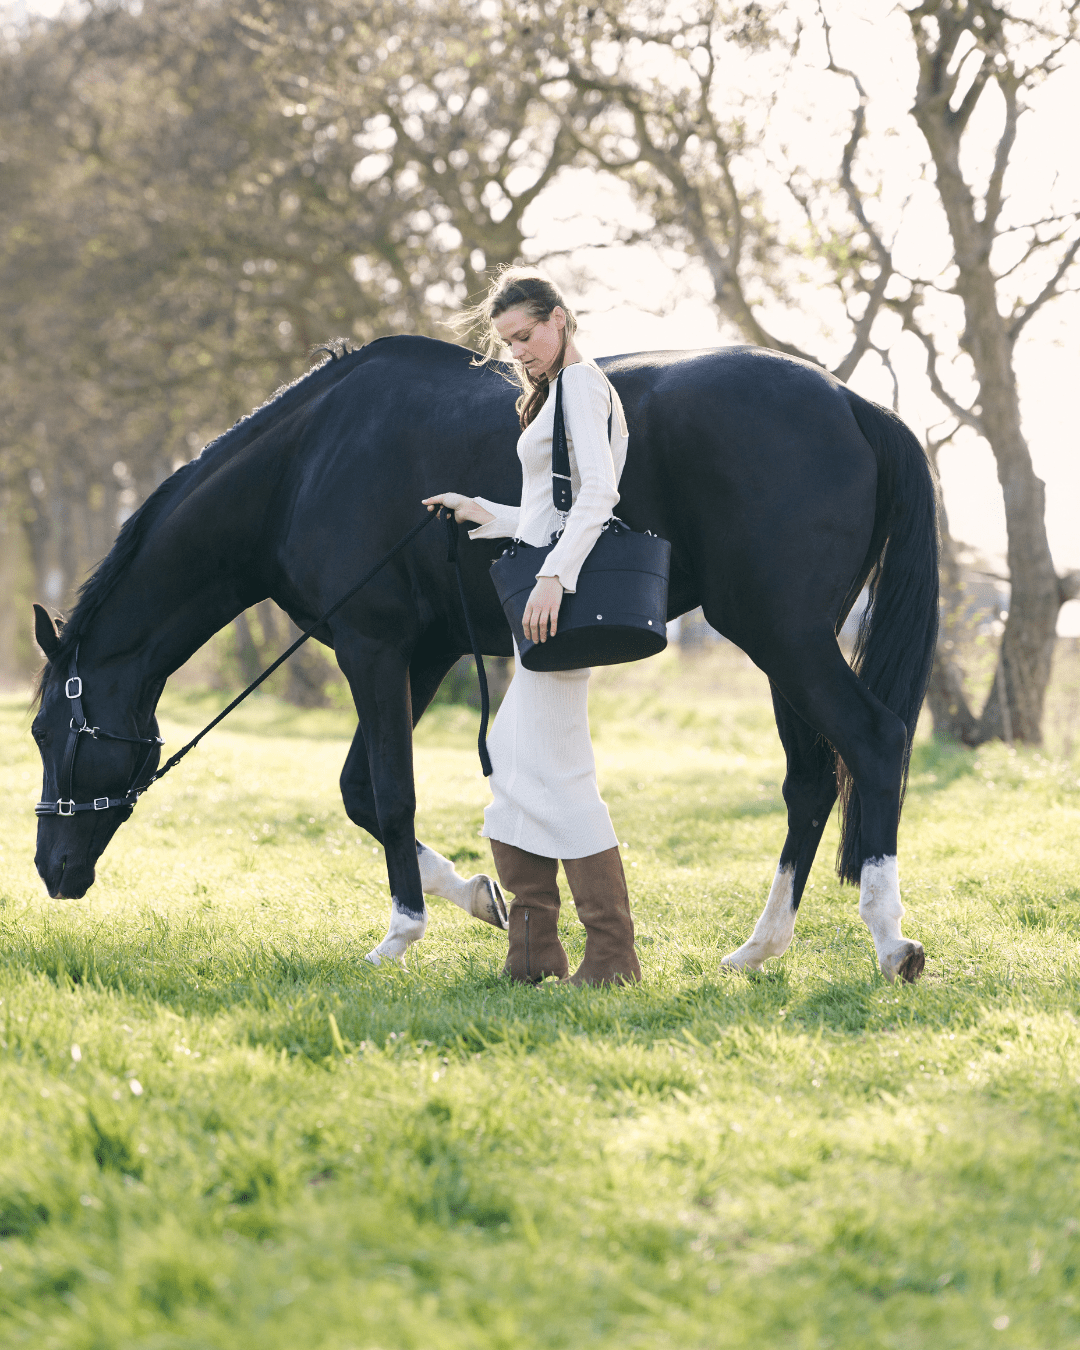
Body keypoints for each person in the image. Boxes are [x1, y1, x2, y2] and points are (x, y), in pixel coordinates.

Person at [423, 268, 641, 986]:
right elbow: (550, 513)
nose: (521, 351)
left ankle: (611, 955)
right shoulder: (553, 395)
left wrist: (554, 576)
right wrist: (483, 511)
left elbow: (600, 493)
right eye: (509, 342)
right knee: (513, 756)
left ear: (559, 318)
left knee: (558, 772)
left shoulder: (580, 385)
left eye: (528, 334)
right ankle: (532, 949)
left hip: (558, 598)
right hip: (544, 594)